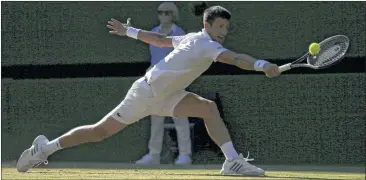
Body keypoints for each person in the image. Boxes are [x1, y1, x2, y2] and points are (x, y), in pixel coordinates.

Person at [16, 4, 281, 176]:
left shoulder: (191, 39)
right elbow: (235, 58)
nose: (224, 32)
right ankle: (43, 149)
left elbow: (160, 40)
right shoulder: (204, 44)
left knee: (207, 108)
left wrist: (128, 30)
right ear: (207, 26)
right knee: (99, 133)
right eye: (220, 27)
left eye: (226, 27)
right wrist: (261, 65)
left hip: (170, 96)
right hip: (145, 93)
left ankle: (232, 161)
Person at [136, 2, 192, 165]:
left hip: (175, 80)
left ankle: (184, 155)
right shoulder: (153, 32)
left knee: (179, 116)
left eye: (167, 13)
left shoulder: (179, 33)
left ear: (173, 15)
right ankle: (153, 155)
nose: (163, 15)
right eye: (161, 12)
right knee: (156, 117)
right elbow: (154, 57)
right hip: (156, 80)